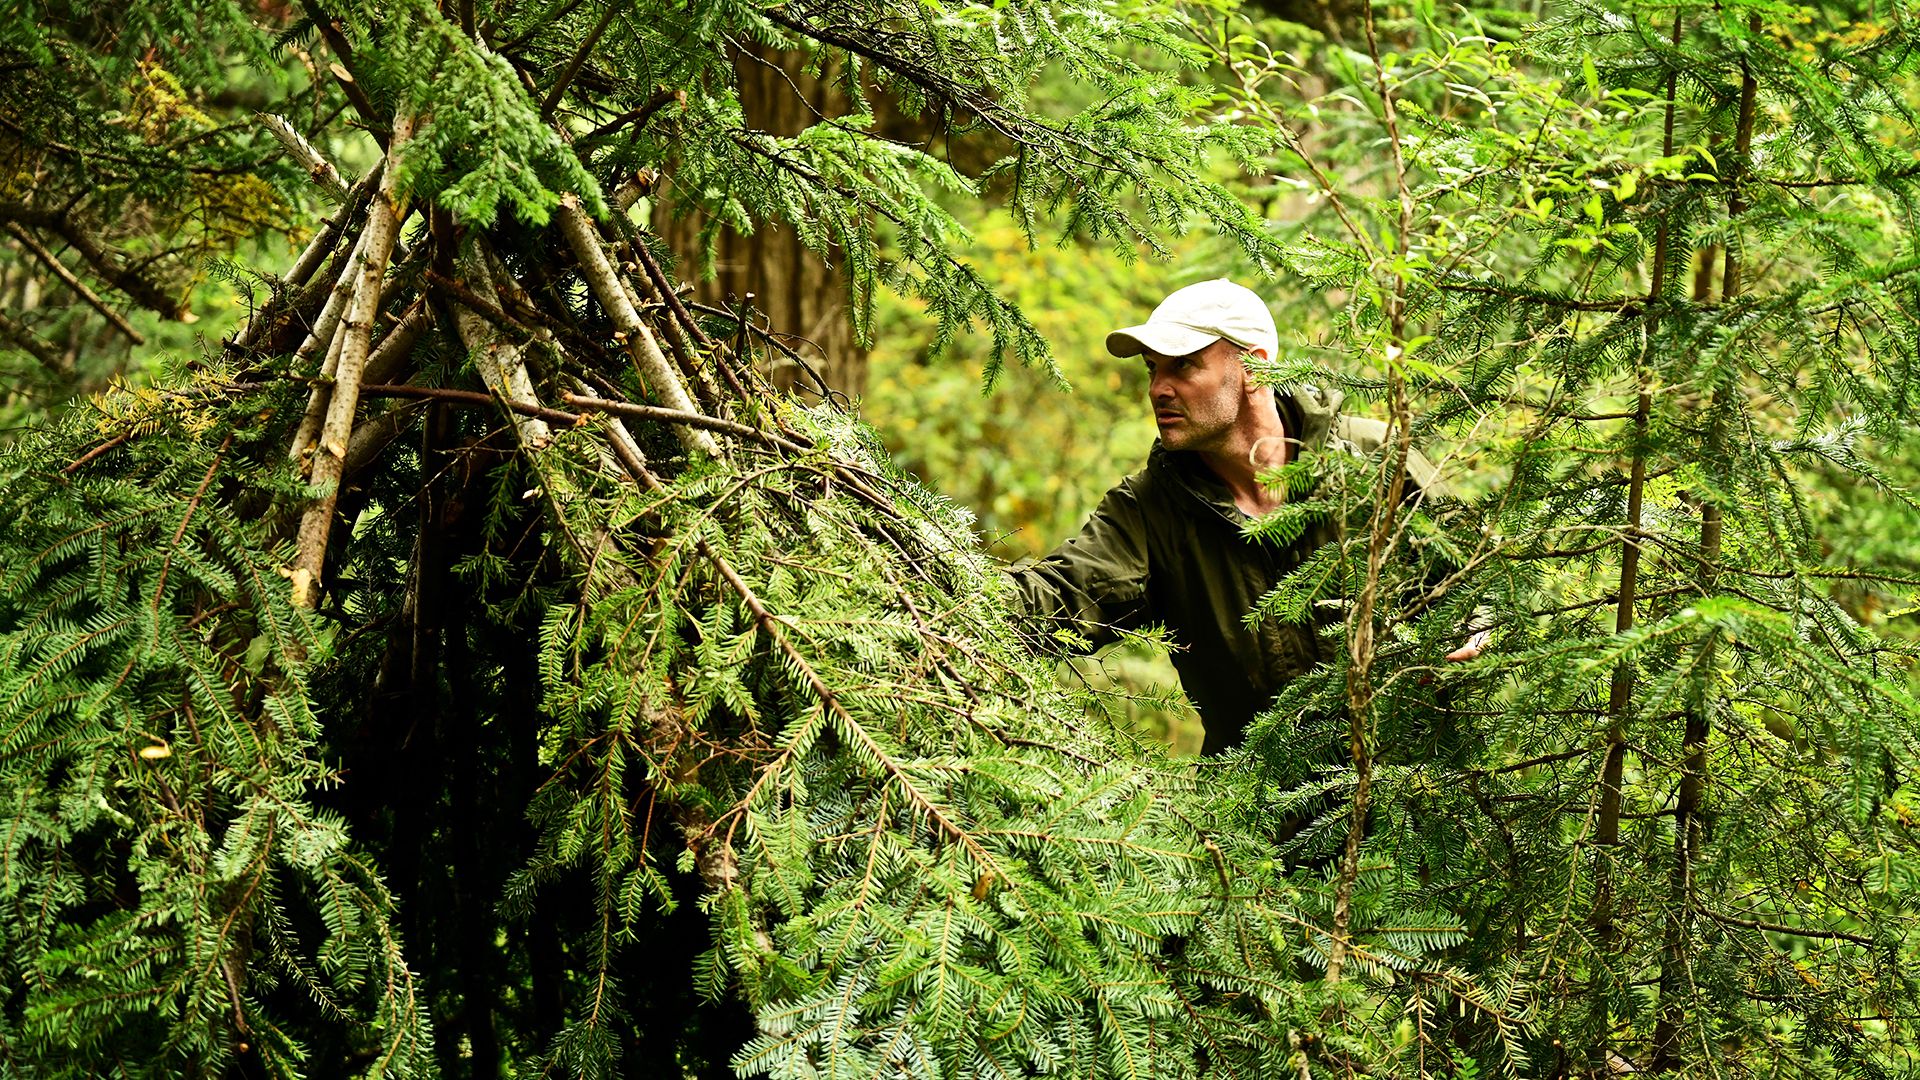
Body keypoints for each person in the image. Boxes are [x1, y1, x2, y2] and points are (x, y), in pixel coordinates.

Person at [1008, 279, 1482, 755]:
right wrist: (937, 570)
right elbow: (1056, 599)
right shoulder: (1150, 508)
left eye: (1184, 365)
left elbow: (1483, 578)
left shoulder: (1375, 458)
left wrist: (1478, 629)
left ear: (1254, 368)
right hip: (1263, 819)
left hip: (1419, 797)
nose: (1158, 389)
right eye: (1152, 369)